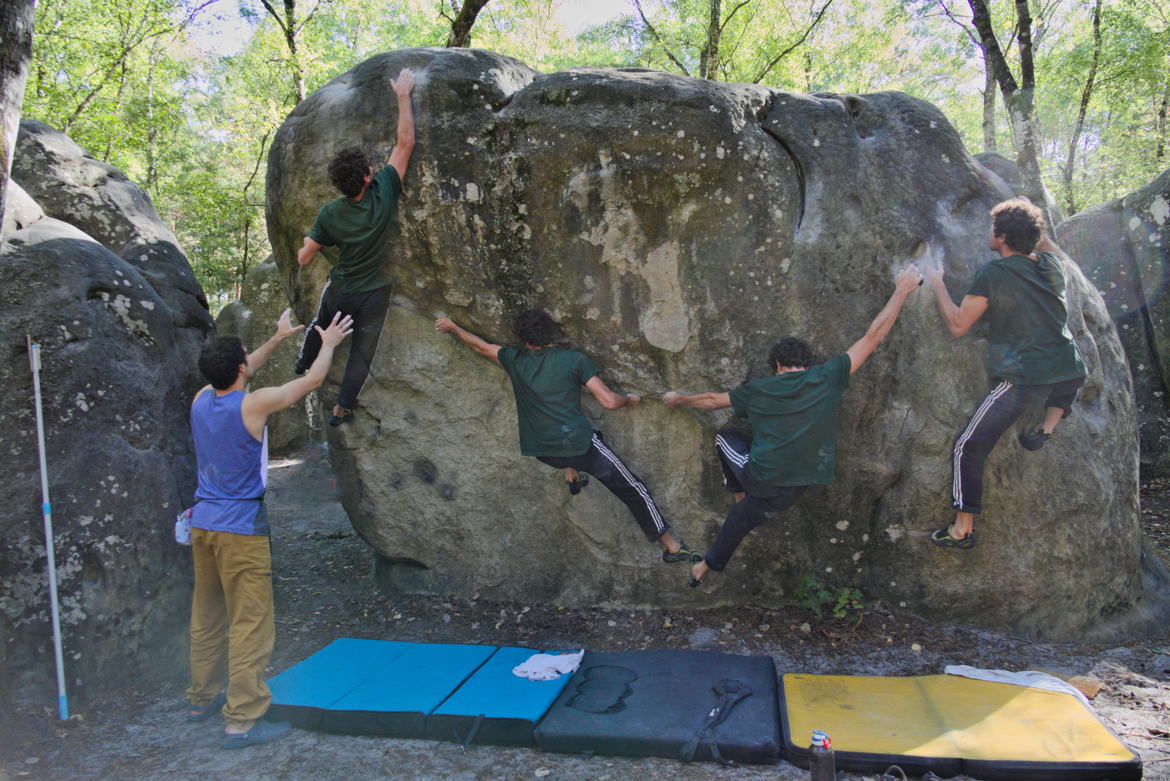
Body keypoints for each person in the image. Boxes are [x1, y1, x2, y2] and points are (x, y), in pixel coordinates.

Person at [663, 267, 923, 586]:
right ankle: (705, 566)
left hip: (763, 476)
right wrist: (902, 290)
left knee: (725, 438)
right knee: (740, 518)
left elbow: (713, 400)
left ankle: (738, 493)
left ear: (777, 366)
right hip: (796, 488)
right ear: (807, 364)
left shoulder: (760, 388)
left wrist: (680, 399)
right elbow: (874, 335)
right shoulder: (828, 377)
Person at [186, 309, 353, 748]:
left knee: (207, 615)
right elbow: (311, 383)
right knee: (250, 624)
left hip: (202, 524)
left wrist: (278, 338)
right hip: (240, 529)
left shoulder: (202, 398)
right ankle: (241, 718)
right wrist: (329, 344)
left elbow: (243, 367)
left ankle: (201, 698)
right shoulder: (252, 404)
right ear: (240, 368)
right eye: (246, 358)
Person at [434, 308, 693, 563]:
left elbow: (481, 346)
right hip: (580, 447)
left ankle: (571, 474)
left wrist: (453, 328)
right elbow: (608, 401)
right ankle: (671, 547)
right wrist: (629, 399)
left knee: (563, 434)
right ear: (552, 333)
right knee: (634, 489)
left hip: (543, 450)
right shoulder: (573, 360)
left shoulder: (515, 360)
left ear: (524, 340)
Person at [924, 198, 1086, 549]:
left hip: (1024, 378)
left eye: (992, 229)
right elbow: (1046, 244)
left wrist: (937, 282)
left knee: (968, 445)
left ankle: (961, 528)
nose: (988, 233)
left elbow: (957, 325)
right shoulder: (1052, 265)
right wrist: (1030, 218)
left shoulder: (994, 274)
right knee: (1063, 385)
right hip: (1070, 370)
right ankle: (1046, 427)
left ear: (1001, 236)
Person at [294, 67, 416, 427]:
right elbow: (405, 142)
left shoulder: (330, 214)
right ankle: (343, 406)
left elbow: (304, 258)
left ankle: (304, 363)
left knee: (320, 323)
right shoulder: (383, 193)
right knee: (363, 352)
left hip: (343, 289)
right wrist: (403, 95)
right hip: (375, 293)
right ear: (367, 176)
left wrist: (307, 243)